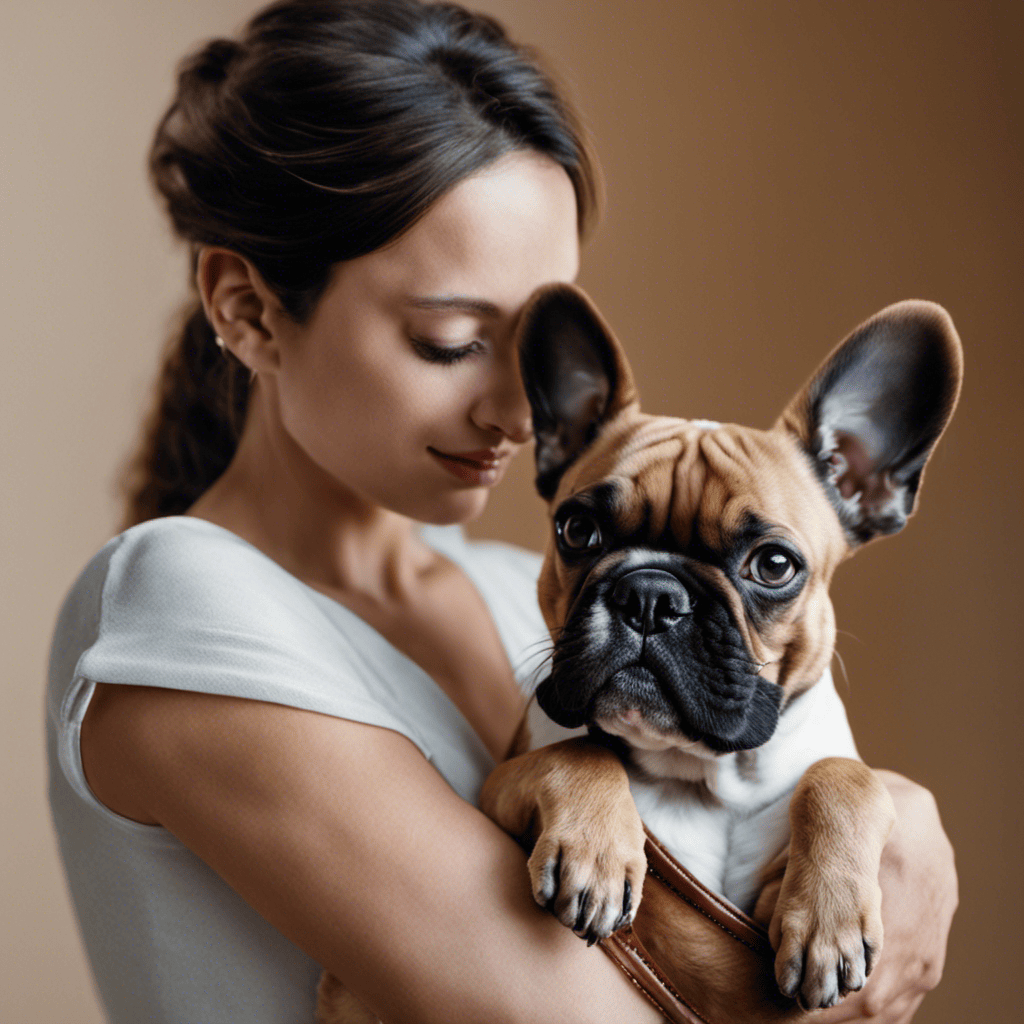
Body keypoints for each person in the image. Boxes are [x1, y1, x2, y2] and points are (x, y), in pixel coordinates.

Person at [46, 2, 957, 1022]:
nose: (521, 408)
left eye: (539, 343)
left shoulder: (518, 593)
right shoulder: (176, 602)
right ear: (248, 308)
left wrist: (885, 812)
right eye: (448, 340)